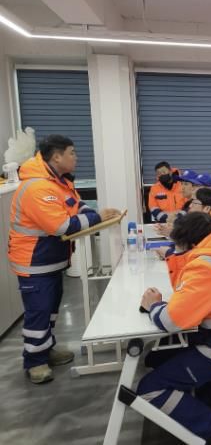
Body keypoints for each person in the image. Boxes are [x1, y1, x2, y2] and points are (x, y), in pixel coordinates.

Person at [137, 212, 211, 443]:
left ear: (192, 244)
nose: (174, 250)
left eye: (177, 245)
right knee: (155, 357)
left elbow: (170, 321)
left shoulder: (206, 266)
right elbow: (185, 296)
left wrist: (154, 306)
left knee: (149, 388)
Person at [8, 135, 120, 384]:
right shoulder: (37, 188)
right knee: (39, 313)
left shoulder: (59, 183)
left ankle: (46, 350)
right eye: (72, 152)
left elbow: (77, 206)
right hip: (34, 262)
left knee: (50, 311)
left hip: (51, 260)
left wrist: (92, 213)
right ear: (57, 157)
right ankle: (35, 362)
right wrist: (98, 217)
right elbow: (61, 225)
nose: (76, 157)